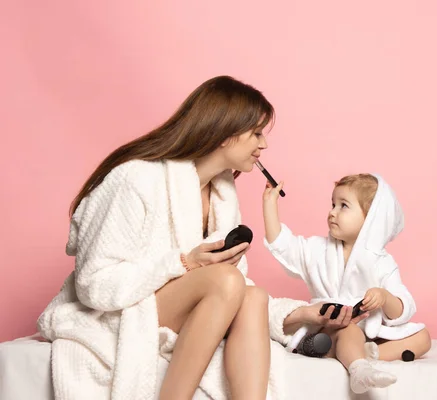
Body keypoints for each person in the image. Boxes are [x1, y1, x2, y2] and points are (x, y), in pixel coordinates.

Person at [36, 75, 305, 400]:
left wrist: (297, 316)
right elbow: (94, 283)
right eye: (257, 133)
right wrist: (183, 263)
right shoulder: (136, 178)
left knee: (254, 297)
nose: (264, 145)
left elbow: (235, 290)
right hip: (124, 309)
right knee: (226, 281)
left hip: (188, 306)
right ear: (226, 133)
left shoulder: (223, 193)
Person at [262, 173, 432, 394]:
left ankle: (367, 354)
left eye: (343, 206)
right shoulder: (317, 250)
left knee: (423, 338)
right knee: (349, 332)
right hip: (332, 327)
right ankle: (358, 368)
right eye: (333, 204)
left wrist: (384, 296)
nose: (332, 212)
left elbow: (402, 308)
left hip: (369, 332)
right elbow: (285, 246)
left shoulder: (381, 262)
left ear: (371, 219)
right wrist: (269, 205)